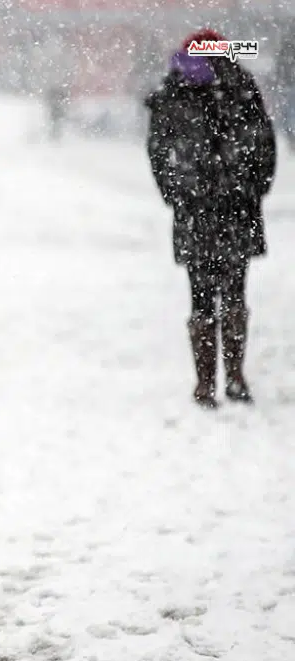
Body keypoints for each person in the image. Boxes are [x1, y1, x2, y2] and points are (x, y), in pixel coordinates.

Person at [145, 29, 277, 408]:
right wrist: (251, 188)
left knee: (203, 298)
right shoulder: (239, 88)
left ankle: (208, 383)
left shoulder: (177, 93)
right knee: (233, 292)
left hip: (201, 211)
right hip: (232, 208)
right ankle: (231, 377)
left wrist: (178, 192)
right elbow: (263, 145)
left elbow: (159, 151)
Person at [275, 31, 295, 151]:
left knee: (288, 112)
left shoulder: (287, 44)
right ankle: (291, 137)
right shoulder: (288, 45)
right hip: (289, 84)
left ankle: (291, 137)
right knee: (289, 111)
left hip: (288, 84)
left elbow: (282, 64)